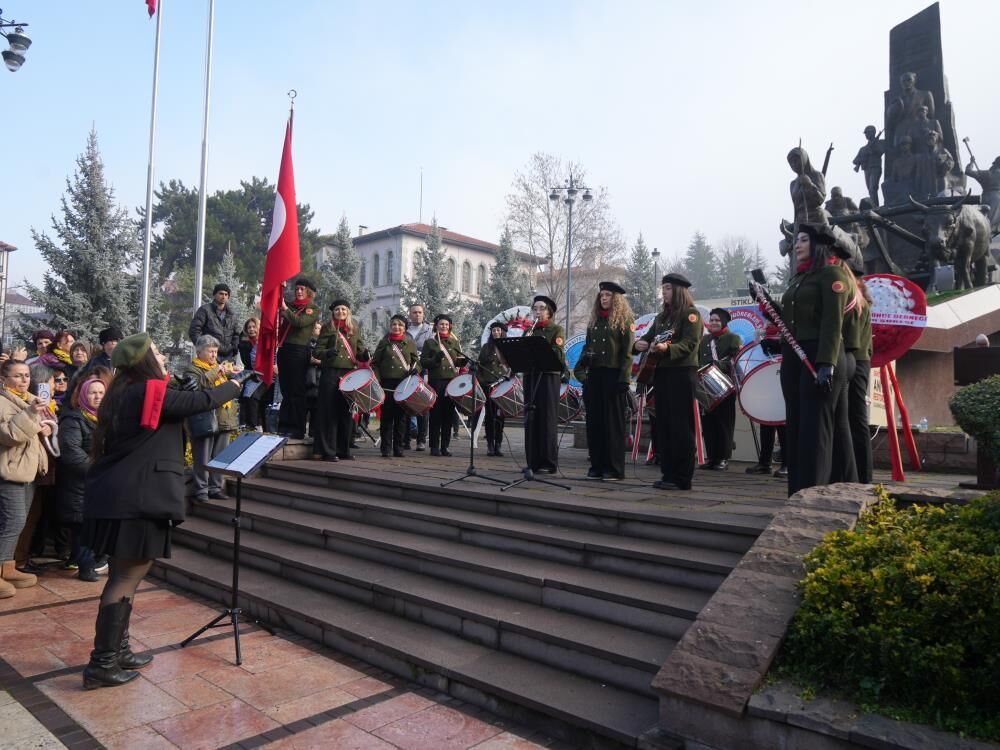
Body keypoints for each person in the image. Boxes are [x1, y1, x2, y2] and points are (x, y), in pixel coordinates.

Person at [81, 332, 246, 689]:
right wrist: (234, 384)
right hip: (135, 496)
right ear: (143, 360)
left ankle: (118, 650)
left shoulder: (129, 391)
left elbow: (180, 400)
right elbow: (197, 402)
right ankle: (102, 662)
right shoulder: (144, 391)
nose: (163, 356)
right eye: (156, 351)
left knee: (128, 575)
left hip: (127, 493)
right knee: (125, 576)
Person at [779, 223, 855, 496]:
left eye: (802, 240)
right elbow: (793, 318)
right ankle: (796, 491)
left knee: (815, 428)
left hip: (819, 354)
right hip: (794, 354)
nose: (796, 245)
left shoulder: (832, 275)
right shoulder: (799, 278)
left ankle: (812, 494)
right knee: (797, 425)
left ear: (818, 244)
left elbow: (832, 324)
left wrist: (827, 364)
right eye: (795, 240)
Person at [635, 274, 703, 491]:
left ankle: (683, 477)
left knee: (681, 426)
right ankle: (668, 473)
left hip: (682, 373)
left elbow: (690, 344)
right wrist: (640, 343)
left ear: (679, 291)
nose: (663, 292)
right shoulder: (662, 317)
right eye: (662, 288)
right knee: (664, 425)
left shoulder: (690, 315)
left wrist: (668, 349)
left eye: (667, 288)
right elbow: (649, 336)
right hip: (662, 373)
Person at [0, 360, 51, 599]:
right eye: (18, 376)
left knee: (18, 524)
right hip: (9, 471)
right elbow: (10, 435)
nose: (24, 380)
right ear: (4, 378)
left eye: (27, 375)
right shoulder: (2, 401)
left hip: (28, 470)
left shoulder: (30, 399)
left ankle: (7, 567)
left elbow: (31, 433)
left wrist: (47, 427)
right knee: (11, 522)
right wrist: (32, 414)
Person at [574, 282, 634, 481]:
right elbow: (587, 348)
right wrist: (582, 372)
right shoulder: (595, 321)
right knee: (595, 423)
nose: (604, 298)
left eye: (608, 295)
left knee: (612, 424)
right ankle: (597, 465)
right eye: (602, 295)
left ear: (616, 298)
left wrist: (624, 379)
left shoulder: (624, 320)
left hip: (613, 375)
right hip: (595, 375)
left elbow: (627, 352)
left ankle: (614, 468)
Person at [56, 368, 112, 582]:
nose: (97, 397)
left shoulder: (106, 419)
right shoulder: (73, 420)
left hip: (102, 483)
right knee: (83, 527)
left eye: (101, 393)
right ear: (83, 395)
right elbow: (71, 453)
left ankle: (93, 561)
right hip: (80, 485)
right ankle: (86, 567)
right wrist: (99, 470)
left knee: (95, 525)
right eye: (92, 393)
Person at [182, 335, 240, 502]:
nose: (215, 355)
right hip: (204, 421)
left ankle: (216, 487)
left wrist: (235, 377)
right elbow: (198, 387)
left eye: (216, 351)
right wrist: (217, 371)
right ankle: (201, 489)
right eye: (211, 351)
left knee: (220, 457)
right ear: (200, 352)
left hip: (223, 419)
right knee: (202, 456)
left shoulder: (220, 369)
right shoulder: (192, 369)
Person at [313, 301, 369, 462]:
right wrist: (328, 352)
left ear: (348, 312)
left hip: (349, 375)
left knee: (346, 412)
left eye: (343, 309)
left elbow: (359, 352)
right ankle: (328, 451)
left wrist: (364, 355)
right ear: (333, 312)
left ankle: (343, 449)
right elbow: (317, 351)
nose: (340, 311)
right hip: (331, 373)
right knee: (329, 413)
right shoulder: (328, 328)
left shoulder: (354, 329)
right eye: (337, 309)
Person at [523, 295, 566, 473]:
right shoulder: (529, 331)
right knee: (531, 417)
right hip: (531, 376)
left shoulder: (556, 330)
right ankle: (532, 461)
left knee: (547, 418)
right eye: (535, 308)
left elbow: (557, 353)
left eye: (542, 308)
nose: (538, 312)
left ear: (549, 312)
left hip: (548, 376)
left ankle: (548, 463)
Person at [698, 308, 742, 471]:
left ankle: (723, 458)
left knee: (724, 423)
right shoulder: (704, 340)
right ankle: (712, 457)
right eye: (712, 320)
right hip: (705, 386)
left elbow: (735, 359)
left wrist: (718, 366)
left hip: (725, 385)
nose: (714, 323)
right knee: (708, 422)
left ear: (723, 322)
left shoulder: (733, 338)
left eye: (717, 320)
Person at [276, 278, 320, 439]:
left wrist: (285, 309)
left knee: (297, 391)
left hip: (299, 351)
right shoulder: (291, 305)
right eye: (296, 289)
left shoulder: (312, 309)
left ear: (308, 291)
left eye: (302, 289)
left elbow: (299, 323)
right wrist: (279, 286)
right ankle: (284, 425)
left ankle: (297, 428)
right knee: (286, 390)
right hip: (284, 349)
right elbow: (278, 301)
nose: (298, 291)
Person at [371, 314, 420, 458]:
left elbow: (417, 361)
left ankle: (399, 448)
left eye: (400, 325)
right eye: (394, 324)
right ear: (390, 326)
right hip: (386, 384)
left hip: (403, 384)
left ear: (404, 328)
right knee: (386, 418)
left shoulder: (409, 342)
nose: (396, 327)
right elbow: (375, 363)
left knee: (401, 417)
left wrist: (416, 369)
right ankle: (385, 448)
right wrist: (378, 380)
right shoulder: (384, 342)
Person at [843, 261, 873, 483]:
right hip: (858, 360)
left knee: (856, 417)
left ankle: (863, 474)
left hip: (856, 360)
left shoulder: (856, 303)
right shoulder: (859, 301)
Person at [420, 314, 467, 457]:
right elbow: (423, 362)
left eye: (446, 324)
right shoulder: (430, 343)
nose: (444, 327)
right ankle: (434, 446)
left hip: (451, 382)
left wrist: (462, 362)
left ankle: (445, 446)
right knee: (436, 415)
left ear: (450, 326)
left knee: (448, 415)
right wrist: (435, 359)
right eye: (441, 324)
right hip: (437, 381)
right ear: (436, 326)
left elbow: (459, 361)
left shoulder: (455, 342)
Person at [477, 321, 510, 457]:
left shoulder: (509, 347)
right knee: (490, 416)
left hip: (502, 385)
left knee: (500, 416)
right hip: (488, 385)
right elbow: (479, 366)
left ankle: (498, 445)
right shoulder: (486, 348)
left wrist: (509, 376)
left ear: (503, 332)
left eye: (498, 330)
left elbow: (514, 365)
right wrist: (483, 381)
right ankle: (490, 444)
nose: (496, 332)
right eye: (493, 330)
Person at [405, 304, 434, 451]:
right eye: (414, 312)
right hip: (406, 371)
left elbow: (433, 352)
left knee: (423, 405)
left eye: (420, 312)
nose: (417, 314)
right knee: (405, 404)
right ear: (409, 314)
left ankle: (421, 440)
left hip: (424, 372)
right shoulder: (404, 330)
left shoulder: (430, 332)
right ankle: (406, 438)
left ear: (424, 314)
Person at [189, 283, 240, 360]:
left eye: (226, 294)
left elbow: (236, 335)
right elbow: (194, 331)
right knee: (209, 373)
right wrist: (204, 349)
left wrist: (234, 349)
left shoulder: (232, 314)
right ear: (214, 294)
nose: (223, 297)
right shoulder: (205, 310)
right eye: (221, 294)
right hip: (209, 357)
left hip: (228, 358)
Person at [237, 318, 264, 430]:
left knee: (252, 396)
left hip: (265, 375)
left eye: (254, 327)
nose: (252, 329)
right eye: (249, 327)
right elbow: (246, 363)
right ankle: (245, 425)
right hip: (250, 373)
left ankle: (254, 425)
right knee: (244, 397)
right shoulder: (244, 344)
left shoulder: (265, 342)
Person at [852, 125, 886, 207]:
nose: (867, 135)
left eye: (868, 133)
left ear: (873, 133)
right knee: (870, 190)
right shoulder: (863, 149)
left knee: (873, 188)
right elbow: (855, 161)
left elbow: (880, 151)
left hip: (875, 167)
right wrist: (862, 159)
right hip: (867, 169)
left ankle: (875, 206)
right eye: (866, 133)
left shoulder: (879, 142)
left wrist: (873, 148)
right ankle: (873, 205)